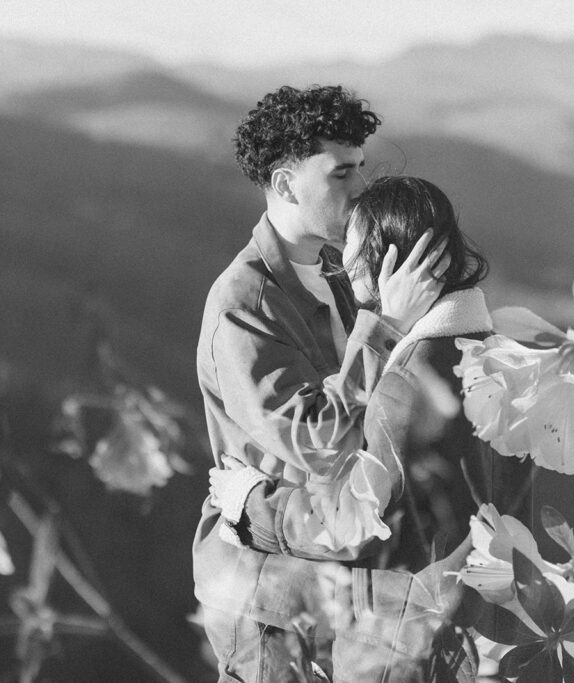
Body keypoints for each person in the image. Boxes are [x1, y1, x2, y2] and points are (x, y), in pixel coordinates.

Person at [210, 175, 535, 681]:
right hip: (482, 632)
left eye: (352, 247)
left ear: (388, 262)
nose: (341, 259)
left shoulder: (408, 386)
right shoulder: (508, 365)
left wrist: (248, 503)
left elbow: (353, 526)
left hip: (400, 643)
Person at [194, 86, 451, 682]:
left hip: (347, 573)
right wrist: (384, 322)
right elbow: (316, 440)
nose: (362, 187)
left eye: (362, 167)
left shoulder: (341, 272)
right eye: (341, 173)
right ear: (286, 186)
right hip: (266, 592)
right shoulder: (244, 305)